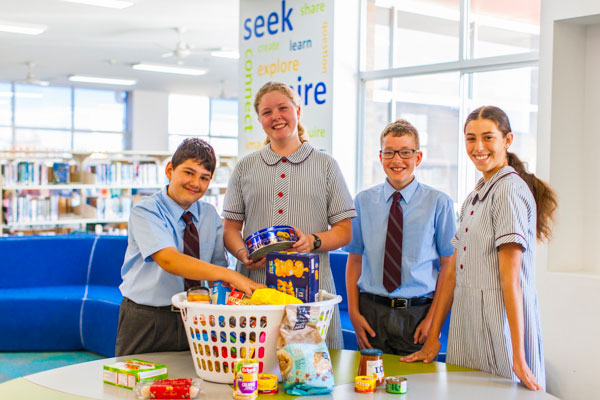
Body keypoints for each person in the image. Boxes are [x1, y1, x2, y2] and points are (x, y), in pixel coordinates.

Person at [400, 106, 557, 391]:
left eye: (488, 137)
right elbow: (451, 275)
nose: (478, 147)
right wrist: (433, 337)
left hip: (500, 325)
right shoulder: (474, 196)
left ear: (507, 140)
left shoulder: (509, 190)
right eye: (471, 139)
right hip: (468, 320)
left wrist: (518, 357)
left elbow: (511, 280)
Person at [222, 81, 357, 350]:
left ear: (297, 110)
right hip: (255, 286)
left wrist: (313, 241)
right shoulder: (245, 167)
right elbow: (230, 229)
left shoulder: (326, 165)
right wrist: (241, 254)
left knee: (313, 368)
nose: (276, 117)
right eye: (267, 112)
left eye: (283, 108)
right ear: (259, 119)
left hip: (310, 289)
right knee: (256, 364)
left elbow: (344, 230)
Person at [116, 138, 264, 356]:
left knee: (196, 383)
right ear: (170, 170)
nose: (195, 183)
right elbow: (169, 259)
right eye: (188, 172)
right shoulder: (146, 210)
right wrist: (232, 275)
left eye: (204, 178)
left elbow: (215, 270)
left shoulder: (209, 214)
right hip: (148, 317)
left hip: (198, 317)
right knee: (137, 384)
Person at [343, 119, 456, 356]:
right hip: (371, 311)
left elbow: (449, 266)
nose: (397, 160)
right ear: (380, 156)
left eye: (405, 152)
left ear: (418, 157)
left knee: (416, 388)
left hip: (418, 314)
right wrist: (354, 313)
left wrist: (433, 322)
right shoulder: (362, 201)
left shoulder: (439, 203)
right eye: (390, 152)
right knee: (368, 387)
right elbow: (354, 260)